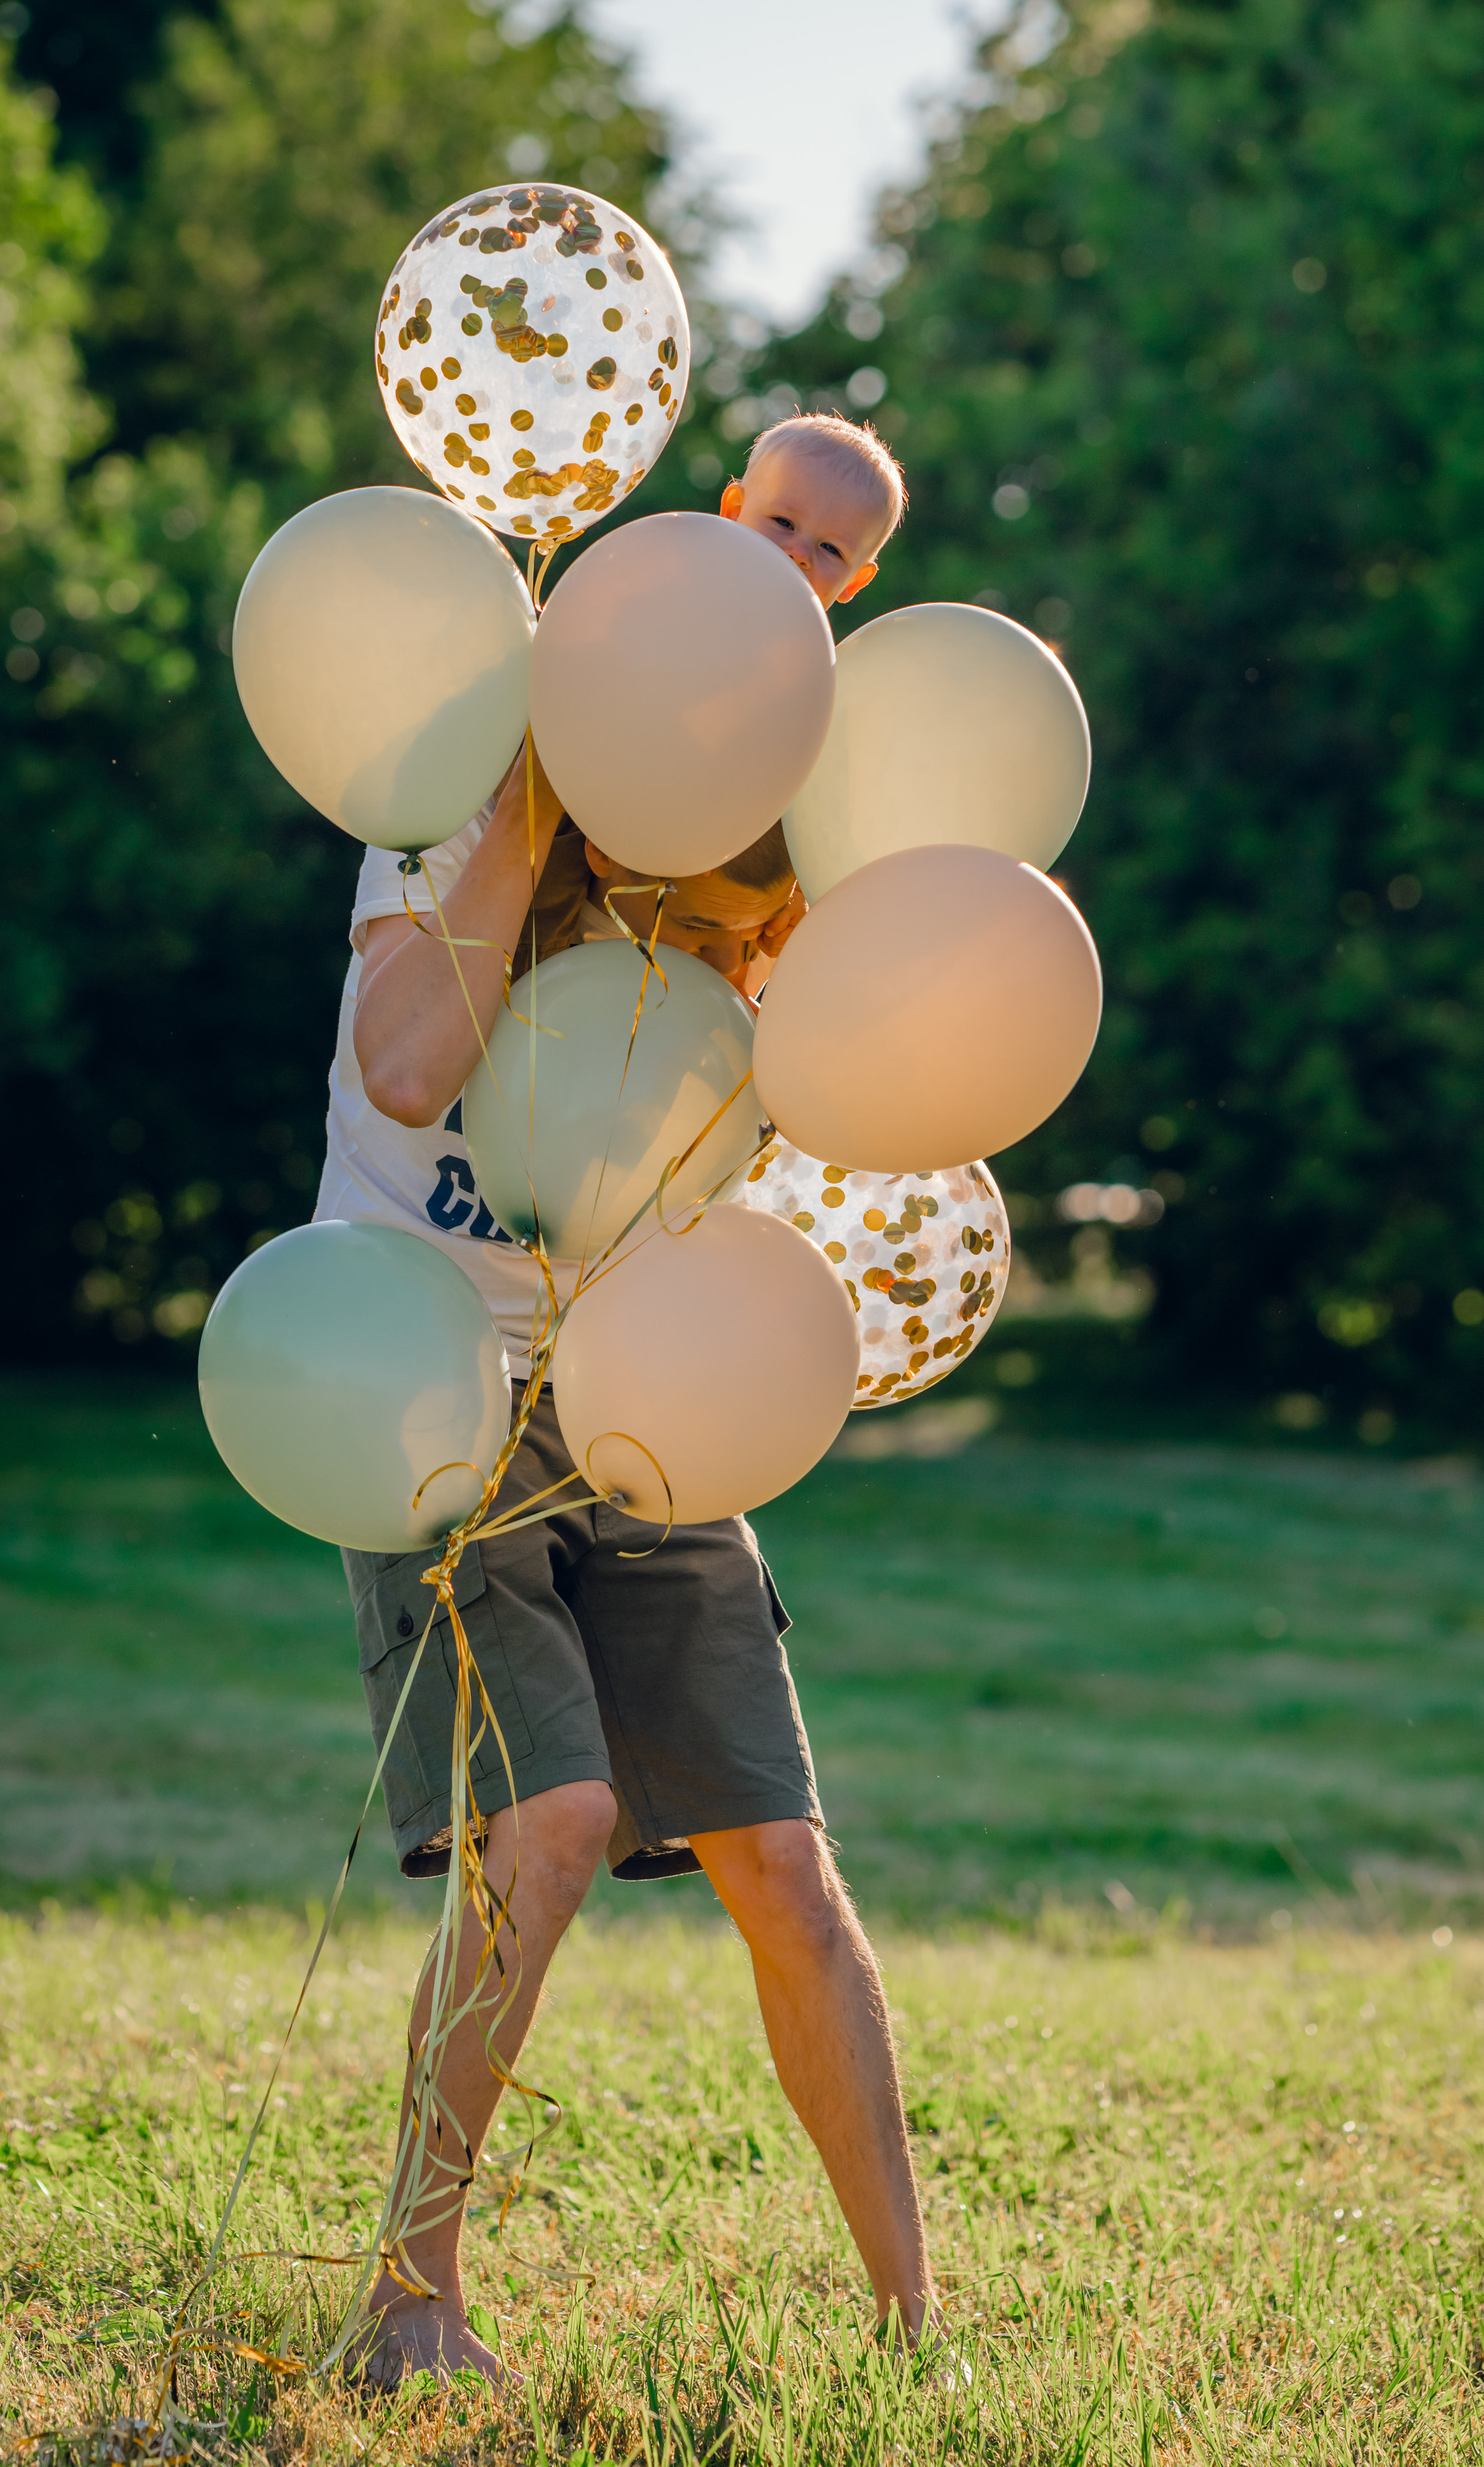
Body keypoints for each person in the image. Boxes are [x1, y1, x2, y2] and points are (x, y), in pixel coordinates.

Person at [317, 414, 928, 2385]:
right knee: (557, 1818)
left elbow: (755, 1128)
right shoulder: (461, 765)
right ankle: (409, 2302)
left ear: (855, 593)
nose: (799, 565)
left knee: (785, 1864)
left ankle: (918, 2332)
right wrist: (543, 793)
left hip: (644, 1373)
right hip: (430, 1370)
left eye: (837, 556)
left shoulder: (786, 852)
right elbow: (408, 1071)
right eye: (780, 525)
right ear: (720, 518)